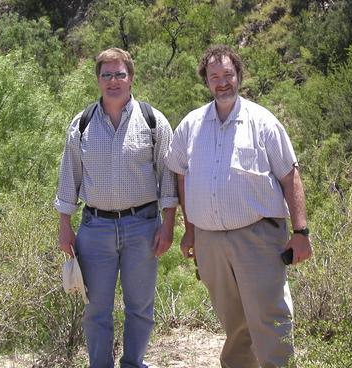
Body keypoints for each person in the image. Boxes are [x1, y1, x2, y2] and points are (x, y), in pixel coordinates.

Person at [165, 44, 312, 368]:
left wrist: (301, 232)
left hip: (258, 238)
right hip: (209, 241)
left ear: (239, 76)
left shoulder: (263, 122)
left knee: (269, 319)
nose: (222, 82)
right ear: (206, 80)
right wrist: (189, 231)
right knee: (234, 325)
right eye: (214, 76)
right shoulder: (190, 126)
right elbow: (180, 176)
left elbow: (290, 176)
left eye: (228, 74)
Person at [55, 47, 177, 368]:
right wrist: (64, 225)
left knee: (140, 307)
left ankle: (133, 363)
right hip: (95, 229)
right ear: (97, 80)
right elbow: (69, 177)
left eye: (119, 74)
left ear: (131, 77)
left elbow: (168, 178)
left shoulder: (153, 121)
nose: (113, 81)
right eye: (106, 75)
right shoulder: (81, 124)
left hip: (143, 227)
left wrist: (168, 226)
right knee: (96, 310)